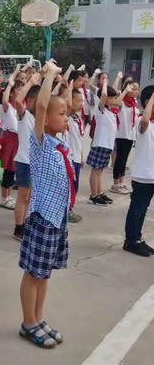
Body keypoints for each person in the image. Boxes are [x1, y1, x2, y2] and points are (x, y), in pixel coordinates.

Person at [19, 60, 73, 349]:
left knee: (45, 274)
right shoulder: (40, 142)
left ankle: (38, 319)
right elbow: (40, 107)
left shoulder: (61, 145)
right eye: (62, 114)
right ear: (47, 118)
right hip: (42, 217)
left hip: (57, 219)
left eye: (67, 113)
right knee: (33, 273)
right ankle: (28, 322)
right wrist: (49, 75)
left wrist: (61, 81)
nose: (67, 118)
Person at [86, 80, 132, 206]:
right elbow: (104, 95)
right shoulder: (100, 109)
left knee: (100, 170)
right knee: (96, 170)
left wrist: (125, 91)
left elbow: (118, 101)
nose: (113, 100)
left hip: (107, 145)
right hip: (100, 144)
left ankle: (99, 193)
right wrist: (105, 84)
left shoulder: (110, 111)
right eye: (111, 97)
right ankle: (93, 195)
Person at [123, 86, 154, 257]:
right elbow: (145, 122)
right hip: (143, 175)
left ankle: (138, 238)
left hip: (151, 177)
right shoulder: (142, 122)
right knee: (137, 209)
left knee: (143, 210)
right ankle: (131, 241)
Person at [13, 74, 41, 240]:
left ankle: (25, 224)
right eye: (38, 101)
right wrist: (30, 82)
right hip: (24, 161)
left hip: (35, 162)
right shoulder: (25, 116)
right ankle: (18, 228)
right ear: (30, 102)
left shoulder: (39, 119)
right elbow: (18, 101)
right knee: (23, 197)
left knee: (29, 197)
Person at [0, 68, 23, 210]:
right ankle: (4, 197)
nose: (21, 92)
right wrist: (10, 82)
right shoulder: (8, 107)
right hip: (9, 139)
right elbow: (4, 99)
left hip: (17, 140)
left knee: (12, 169)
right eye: (18, 90)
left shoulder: (20, 107)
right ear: (13, 93)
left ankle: (8, 196)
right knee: (7, 169)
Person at [111, 80, 139, 194]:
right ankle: (116, 183)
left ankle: (121, 182)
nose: (136, 91)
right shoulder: (122, 101)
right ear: (127, 88)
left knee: (124, 160)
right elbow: (116, 103)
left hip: (130, 135)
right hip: (122, 134)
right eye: (133, 88)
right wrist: (124, 92)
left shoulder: (134, 102)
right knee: (119, 160)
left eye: (137, 89)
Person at [65, 84, 85, 223]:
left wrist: (82, 154)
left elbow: (80, 138)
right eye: (78, 100)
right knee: (69, 185)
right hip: (70, 158)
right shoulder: (66, 117)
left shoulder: (78, 117)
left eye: (82, 100)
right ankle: (66, 210)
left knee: (75, 185)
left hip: (77, 157)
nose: (81, 103)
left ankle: (70, 208)